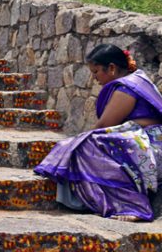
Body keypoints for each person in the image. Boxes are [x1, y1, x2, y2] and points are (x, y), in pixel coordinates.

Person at [35, 44, 162, 222]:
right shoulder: (137, 81)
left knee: (85, 145)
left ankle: (132, 205)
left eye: (95, 72)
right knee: (80, 144)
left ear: (111, 68)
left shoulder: (126, 89)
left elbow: (104, 125)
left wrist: (74, 144)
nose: (94, 78)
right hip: (148, 141)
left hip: (149, 145)